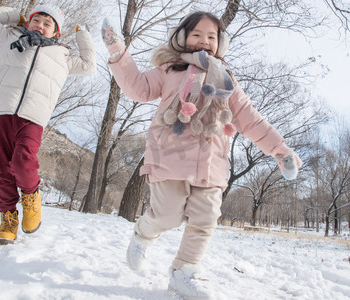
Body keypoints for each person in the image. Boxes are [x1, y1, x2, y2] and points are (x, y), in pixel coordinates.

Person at [101, 12, 302, 299]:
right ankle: (144, 234)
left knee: (205, 219)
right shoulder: (170, 70)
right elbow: (138, 88)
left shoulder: (227, 80)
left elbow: (249, 119)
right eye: (197, 35)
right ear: (182, 39)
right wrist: (118, 53)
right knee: (167, 215)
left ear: (220, 43)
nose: (204, 41)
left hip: (212, 163)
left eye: (211, 37)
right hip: (169, 157)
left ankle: (184, 272)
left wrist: (280, 150)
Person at [0, 4, 96, 245]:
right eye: (35, 20)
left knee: (23, 160)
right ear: (27, 22)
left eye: (47, 23)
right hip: (3, 109)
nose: (40, 25)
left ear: (56, 32)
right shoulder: (8, 36)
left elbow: (89, 65)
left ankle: (31, 196)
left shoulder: (62, 56)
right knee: (3, 171)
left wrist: (83, 33)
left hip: (33, 117)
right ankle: (8, 220)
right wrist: (13, 15)